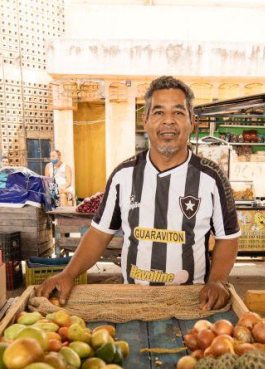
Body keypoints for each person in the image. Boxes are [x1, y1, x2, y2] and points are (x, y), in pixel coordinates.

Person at [36, 76, 241, 310]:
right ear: (145, 121)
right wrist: (68, 274)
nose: (168, 122)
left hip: (193, 301)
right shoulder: (123, 175)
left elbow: (228, 237)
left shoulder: (211, 177)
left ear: (192, 122)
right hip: (133, 298)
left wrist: (217, 280)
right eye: (159, 112)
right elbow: (99, 234)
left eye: (178, 113)